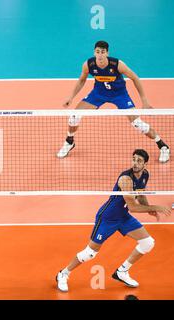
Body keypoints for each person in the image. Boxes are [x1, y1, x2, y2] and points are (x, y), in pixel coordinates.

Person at [56, 149, 171, 292]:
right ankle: (63, 273)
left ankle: (122, 272)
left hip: (123, 217)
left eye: (139, 161)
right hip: (108, 218)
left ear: (145, 164)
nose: (135, 163)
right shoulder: (125, 179)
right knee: (90, 253)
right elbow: (133, 207)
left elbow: (140, 194)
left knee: (148, 243)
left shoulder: (145, 175)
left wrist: (148, 208)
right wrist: (157, 207)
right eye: (134, 159)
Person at [57, 41, 170, 163]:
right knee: (74, 116)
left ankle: (163, 146)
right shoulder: (88, 64)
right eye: (97, 52)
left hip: (119, 95)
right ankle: (69, 142)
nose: (100, 55)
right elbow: (81, 81)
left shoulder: (117, 64)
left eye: (103, 52)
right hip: (99, 93)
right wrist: (71, 97)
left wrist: (144, 100)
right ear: (94, 52)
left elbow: (135, 78)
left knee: (138, 124)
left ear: (107, 53)